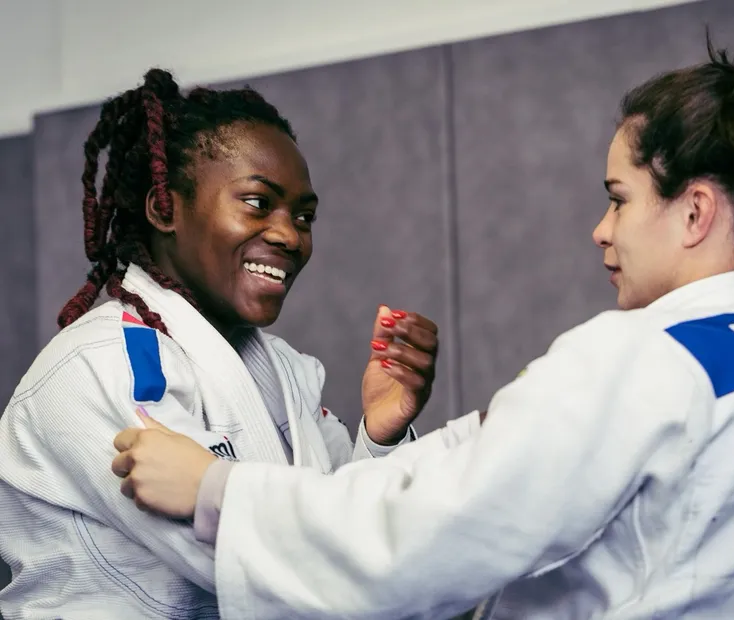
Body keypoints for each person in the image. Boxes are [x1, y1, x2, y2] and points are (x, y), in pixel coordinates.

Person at [113, 27, 734, 619]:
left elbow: (427, 539)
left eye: (619, 197)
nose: (603, 230)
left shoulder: (642, 363)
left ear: (695, 210)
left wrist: (217, 490)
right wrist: (387, 441)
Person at [0, 69, 442, 619]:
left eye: (304, 216)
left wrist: (380, 436)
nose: (290, 235)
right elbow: (263, 573)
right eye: (258, 203)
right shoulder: (98, 366)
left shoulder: (282, 368)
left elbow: (353, 523)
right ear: (165, 209)